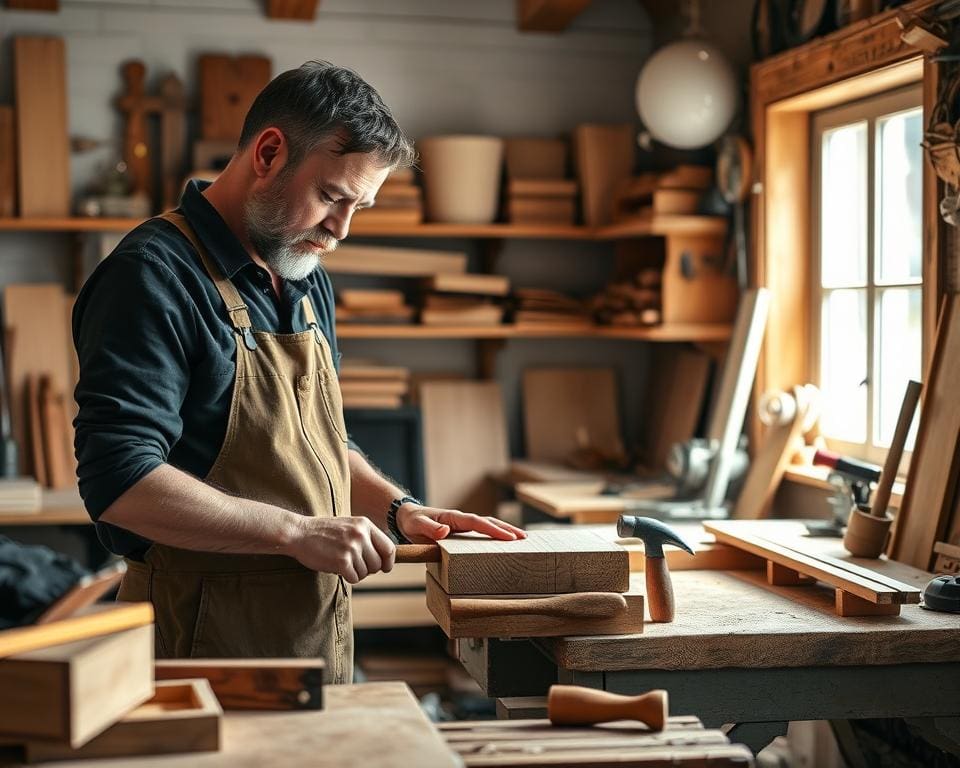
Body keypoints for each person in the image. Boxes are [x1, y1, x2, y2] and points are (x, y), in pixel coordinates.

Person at [73, 61, 524, 682]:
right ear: (268, 152)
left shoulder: (302, 278)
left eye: (357, 207)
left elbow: (320, 443)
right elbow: (119, 481)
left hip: (309, 638)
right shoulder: (153, 275)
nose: (340, 230)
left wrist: (399, 511)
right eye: (333, 197)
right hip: (199, 647)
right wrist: (294, 531)